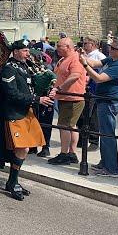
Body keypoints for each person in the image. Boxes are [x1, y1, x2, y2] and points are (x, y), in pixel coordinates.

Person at [0, 39, 54, 201]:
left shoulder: (25, 67)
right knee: (22, 149)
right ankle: (12, 181)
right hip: (13, 114)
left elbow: (32, 86)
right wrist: (37, 99)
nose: (28, 53)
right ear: (16, 51)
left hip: (25, 112)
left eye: (27, 50)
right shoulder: (9, 70)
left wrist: (48, 88)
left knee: (25, 148)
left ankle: (12, 181)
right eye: (24, 50)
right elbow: (12, 94)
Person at [80, 37, 118, 177]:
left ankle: (111, 168)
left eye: (113, 48)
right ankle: (105, 162)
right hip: (103, 100)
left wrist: (85, 66)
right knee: (104, 134)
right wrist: (83, 56)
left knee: (108, 135)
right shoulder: (111, 60)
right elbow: (95, 63)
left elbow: (99, 78)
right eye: (110, 47)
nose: (109, 49)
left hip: (110, 102)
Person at [47, 37, 86, 165]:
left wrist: (60, 88)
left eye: (59, 46)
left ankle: (64, 154)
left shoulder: (75, 58)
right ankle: (71, 153)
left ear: (68, 47)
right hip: (66, 97)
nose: (57, 48)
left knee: (64, 125)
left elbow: (75, 75)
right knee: (71, 126)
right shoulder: (65, 59)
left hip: (72, 97)